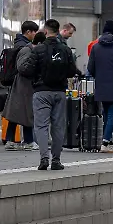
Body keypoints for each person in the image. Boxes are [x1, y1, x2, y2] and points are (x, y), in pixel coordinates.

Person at [27, 19, 76, 171]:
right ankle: (56, 160)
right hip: (59, 92)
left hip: (41, 92)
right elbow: (71, 71)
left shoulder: (38, 49)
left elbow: (29, 70)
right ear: (58, 30)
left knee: (41, 126)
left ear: (46, 31)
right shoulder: (65, 49)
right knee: (58, 126)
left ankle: (44, 158)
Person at [87, 19, 113, 154]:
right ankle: (105, 142)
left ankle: (109, 141)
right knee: (112, 115)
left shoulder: (96, 47)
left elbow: (90, 68)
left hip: (101, 85)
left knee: (105, 113)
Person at [2, 21, 39, 151]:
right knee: (26, 111)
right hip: (24, 84)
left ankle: (10, 140)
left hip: (20, 83)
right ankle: (28, 141)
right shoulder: (25, 47)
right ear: (28, 32)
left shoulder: (19, 43)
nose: (35, 34)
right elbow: (22, 67)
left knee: (17, 112)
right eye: (34, 32)